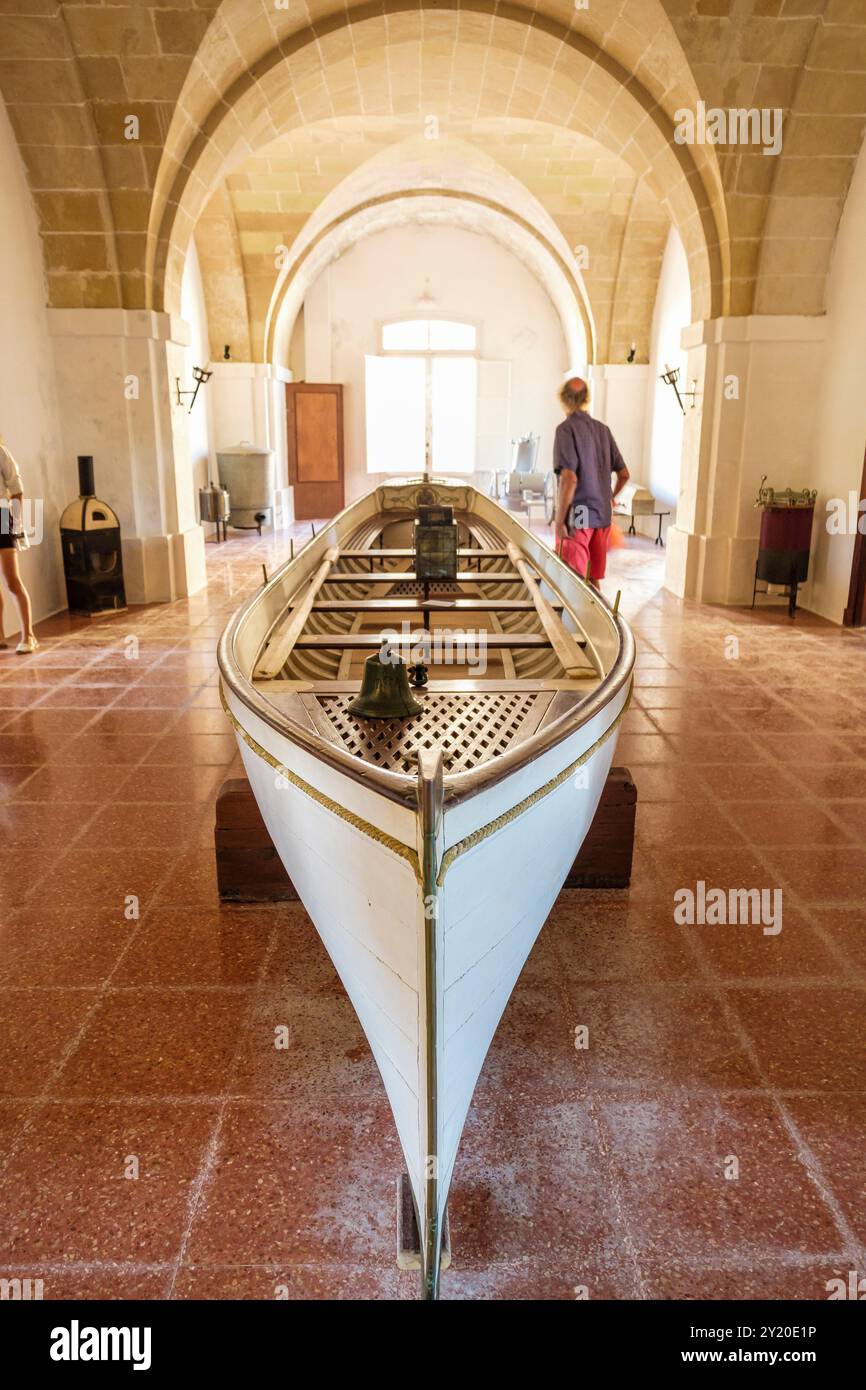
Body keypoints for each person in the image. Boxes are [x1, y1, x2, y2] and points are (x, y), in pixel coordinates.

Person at [553, 376, 630, 585]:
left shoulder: (565, 430)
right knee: (593, 579)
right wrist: (610, 498)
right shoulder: (603, 430)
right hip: (603, 514)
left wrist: (559, 521)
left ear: (563, 399)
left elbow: (569, 478)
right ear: (587, 398)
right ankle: (599, 617)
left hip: (580, 513)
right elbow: (624, 474)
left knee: (573, 578)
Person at [0, 438, 38, 654]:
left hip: (2, 516)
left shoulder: (1, 452)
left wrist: (15, 524)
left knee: (12, 580)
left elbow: (16, 490)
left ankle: (29, 636)